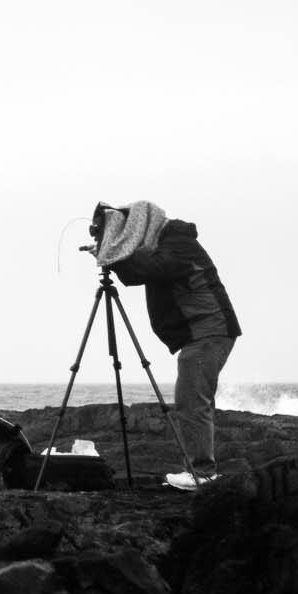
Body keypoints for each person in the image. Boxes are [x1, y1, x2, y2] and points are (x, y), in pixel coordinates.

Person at [90, 200, 240, 489]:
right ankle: (200, 471)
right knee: (195, 400)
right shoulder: (164, 245)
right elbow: (135, 276)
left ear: (142, 226)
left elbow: (156, 268)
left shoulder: (179, 243)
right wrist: (109, 255)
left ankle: (202, 473)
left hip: (209, 330)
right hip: (203, 332)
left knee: (192, 401)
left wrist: (117, 252)